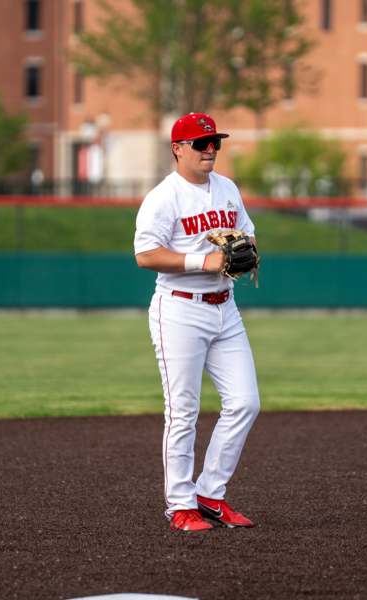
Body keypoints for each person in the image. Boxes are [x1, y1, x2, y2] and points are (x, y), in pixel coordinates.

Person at [134, 113, 261, 532]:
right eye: (201, 143)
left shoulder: (226, 189)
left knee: (245, 403)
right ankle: (180, 504)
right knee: (183, 411)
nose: (210, 150)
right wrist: (202, 259)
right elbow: (146, 254)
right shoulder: (164, 197)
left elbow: (247, 234)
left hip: (225, 307)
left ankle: (210, 494)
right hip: (180, 309)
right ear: (178, 148)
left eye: (215, 143)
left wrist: (246, 251)